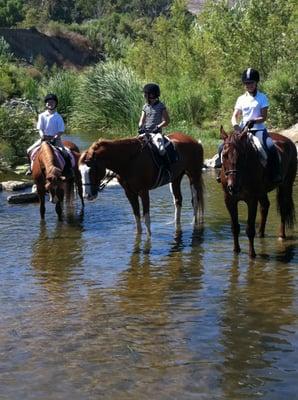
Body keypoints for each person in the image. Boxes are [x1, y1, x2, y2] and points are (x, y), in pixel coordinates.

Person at [217, 68, 281, 183]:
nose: (249, 85)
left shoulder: (262, 97)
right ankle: (221, 171)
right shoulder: (241, 99)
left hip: (258, 130)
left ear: (256, 83)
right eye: (246, 83)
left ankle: (275, 173)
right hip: (242, 131)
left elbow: (263, 117)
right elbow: (235, 115)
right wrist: (235, 124)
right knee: (222, 147)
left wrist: (254, 121)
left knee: (271, 147)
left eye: (251, 83)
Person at [26, 93, 72, 176]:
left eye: (52, 102)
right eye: (48, 102)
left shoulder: (58, 117)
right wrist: (42, 136)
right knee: (29, 150)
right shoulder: (42, 116)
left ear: (55, 104)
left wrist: (55, 138)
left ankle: (68, 171)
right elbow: (40, 128)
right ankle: (30, 168)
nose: (50, 104)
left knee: (65, 154)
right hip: (44, 138)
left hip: (56, 139)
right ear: (46, 104)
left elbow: (60, 131)